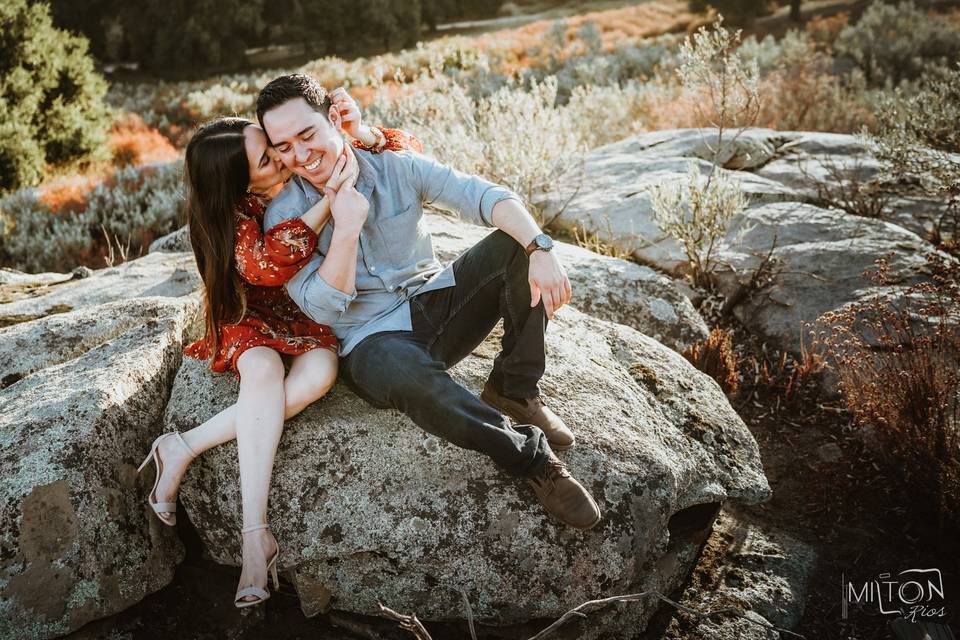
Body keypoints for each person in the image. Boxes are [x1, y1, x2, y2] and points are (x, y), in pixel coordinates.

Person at [259, 74, 601, 530]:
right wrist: (344, 227)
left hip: (436, 302)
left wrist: (540, 248)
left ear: (335, 120)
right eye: (283, 146)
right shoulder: (283, 219)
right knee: (404, 373)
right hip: (373, 343)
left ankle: (514, 390)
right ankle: (532, 461)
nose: (300, 156)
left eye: (307, 134)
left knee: (513, 248)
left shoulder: (394, 166)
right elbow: (321, 309)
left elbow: (482, 195)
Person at [137, 90, 421, 608]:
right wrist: (327, 205)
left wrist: (362, 134)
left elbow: (403, 153)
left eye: (273, 142)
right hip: (252, 316)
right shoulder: (238, 214)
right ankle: (254, 538)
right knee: (264, 375)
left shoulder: (301, 163)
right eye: (268, 156)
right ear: (242, 182)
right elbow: (266, 265)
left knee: (317, 379)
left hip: (306, 313)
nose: (284, 154)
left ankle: (184, 444)